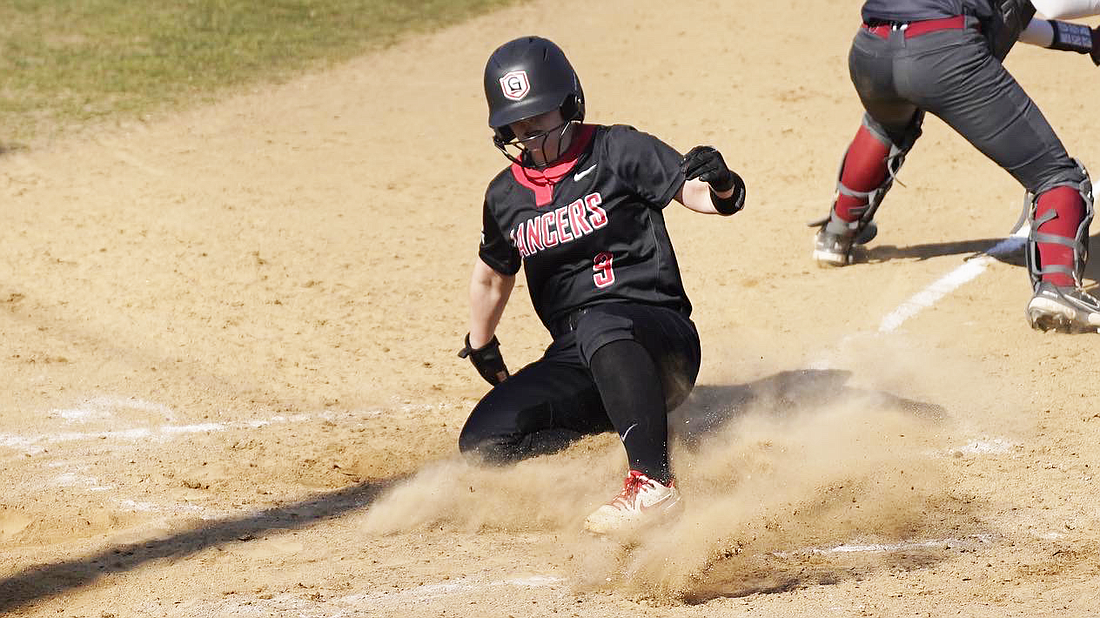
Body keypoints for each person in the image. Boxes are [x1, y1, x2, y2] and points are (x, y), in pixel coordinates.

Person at [457, 36, 746, 536]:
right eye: (517, 124)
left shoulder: (618, 150)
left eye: (540, 117)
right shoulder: (504, 195)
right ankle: (628, 435)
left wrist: (721, 182)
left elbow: (704, 198)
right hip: (581, 353)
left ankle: (653, 482)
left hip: (660, 340)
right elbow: (492, 274)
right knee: (483, 440)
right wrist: (481, 343)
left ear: (569, 104)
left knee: (600, 320)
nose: (529, 133)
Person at [810, 0, 1100, 333]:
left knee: (886, 124)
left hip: (871, 51)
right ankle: (1059, 288)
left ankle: (836, 234)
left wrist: (1087, 40)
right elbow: (1052, 5)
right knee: (1056, 175)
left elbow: (1023, 17)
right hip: (942, 53)